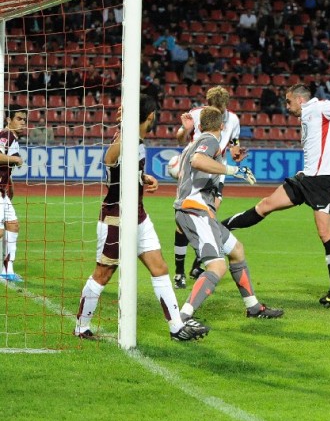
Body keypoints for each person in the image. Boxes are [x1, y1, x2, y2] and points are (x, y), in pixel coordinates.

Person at [221, 84, 330, 307]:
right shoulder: (307, 115)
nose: (286, 106)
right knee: (265, 205)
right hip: (306, 178)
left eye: (288, 101)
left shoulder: (322, 107)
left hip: (323, 181)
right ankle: (219, 229)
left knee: (325, 233)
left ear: (300, 100)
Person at [74, 97, 208, 341]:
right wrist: (125, 130)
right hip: (116, 218)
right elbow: (109, 160)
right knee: (103, 273)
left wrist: (144, 177)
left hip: (138, 216)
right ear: (150, 116)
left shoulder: (138, 142)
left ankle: (176, 327)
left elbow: (123, 170)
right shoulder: (125, 138)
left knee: (160, 268)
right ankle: (81, 327)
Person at [174, 106, 282, 322]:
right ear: (222, 126)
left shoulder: (194, 142)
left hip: (198, 210)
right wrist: (234, 170)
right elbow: (198, 160)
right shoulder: (210, 141)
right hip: (195, 211)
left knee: (236, 250)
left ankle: (253, 307)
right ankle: (183, 317)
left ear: (200, 125)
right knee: (217, 266)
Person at [173, 86, 246, 289]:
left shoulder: (233, 120)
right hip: (194, 171)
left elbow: (234, 145)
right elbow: (180, 138)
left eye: (221, 110)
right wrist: (184, 129)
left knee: (210, 216)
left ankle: (199, 264)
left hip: (216, 172)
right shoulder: (197, 114)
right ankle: (179, 272)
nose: (217, 113)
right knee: (183, 220)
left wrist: (236, 153)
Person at [0, 106, 26, 282]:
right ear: (9, 120)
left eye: (24, 119)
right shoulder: (5, 135)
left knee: (13, 225)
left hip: (3, 190)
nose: (22, 122)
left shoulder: (14, 139)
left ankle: (7, 270)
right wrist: (15, 159)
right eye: (18, 118)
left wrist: (10, 183)